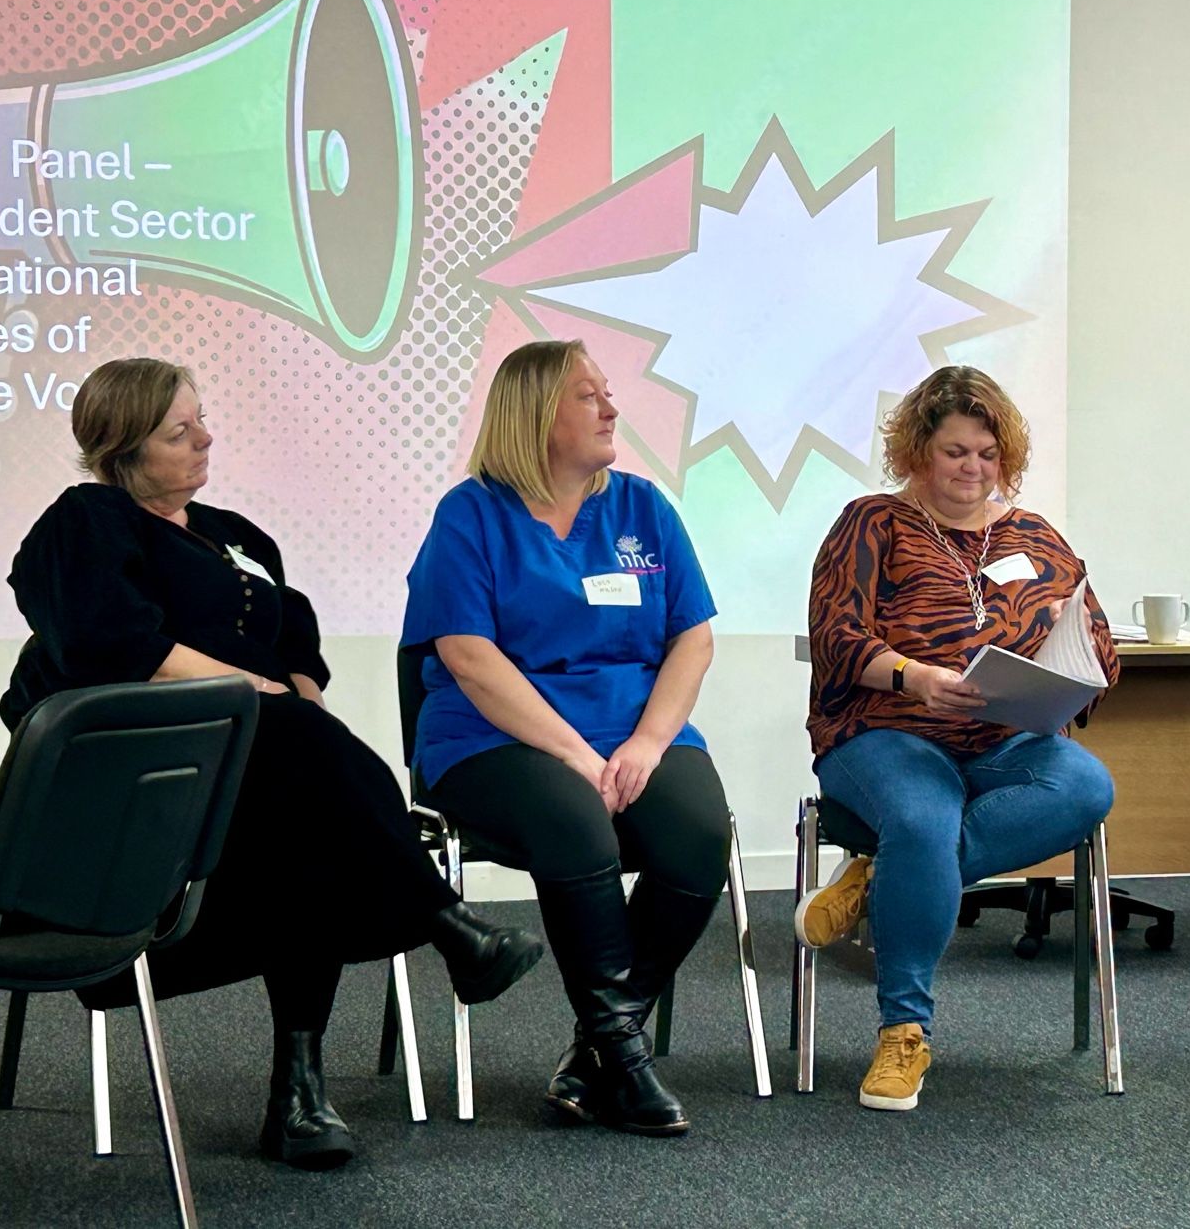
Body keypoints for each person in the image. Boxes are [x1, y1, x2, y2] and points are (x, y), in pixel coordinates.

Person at [4, 358, 544, 1170]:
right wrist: (245, 689)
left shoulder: (229, 537)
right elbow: (107, 639)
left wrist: (297, 701)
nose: (205, 439)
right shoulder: (87, 520)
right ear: (123, 446)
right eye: (178, 432)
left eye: (202, 420)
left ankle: (300, 1090)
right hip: (140, 776)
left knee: (310, 830)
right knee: (291, 757)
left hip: (252, 775)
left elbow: (293, 641)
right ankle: (444, 927)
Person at [401, 339, 729, 1137]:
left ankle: (597, 1048)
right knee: (575, 824)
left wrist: (650, 743)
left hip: (635, 730)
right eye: (589, 396)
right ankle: (625, 1056)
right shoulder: (471, 514)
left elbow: (694, 637)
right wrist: (579, 756)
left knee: (696, 837)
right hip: (494, 737)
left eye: (606, 393)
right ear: (536, 416)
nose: (612, 408)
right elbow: (469, 658)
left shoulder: (642, 507)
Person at [798, 365, 1120, 1112]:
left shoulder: (1037, 538)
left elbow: (1096, 637)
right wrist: (917, 677)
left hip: (1006, 738)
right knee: (921, 819)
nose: (974, 468)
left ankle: (879, 885)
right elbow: (835, 635)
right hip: (886, 730)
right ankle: (903, 1030)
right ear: (916, 452)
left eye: (987, 452)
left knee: (1086, 786)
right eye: (954, 451)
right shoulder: (872, 522)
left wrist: (1077, 673)